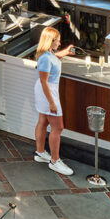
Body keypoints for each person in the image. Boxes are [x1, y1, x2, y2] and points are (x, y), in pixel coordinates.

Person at [33, 27, 75, 176]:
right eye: (57, 41)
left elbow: (53, 58)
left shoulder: (48, 54)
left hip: (47, 91)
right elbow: (44, 82)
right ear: (50, 41)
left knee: (43, 122)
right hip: (48, 92)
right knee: (58, 127)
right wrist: (51, 103)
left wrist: (65, 52)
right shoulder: (45, 58)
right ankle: (55, 161)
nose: (59, 43)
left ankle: (40, 152)